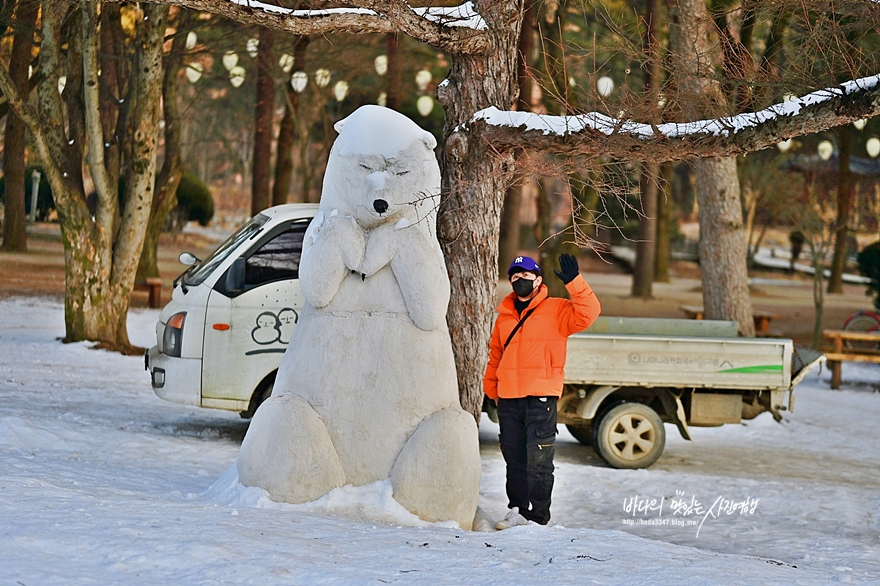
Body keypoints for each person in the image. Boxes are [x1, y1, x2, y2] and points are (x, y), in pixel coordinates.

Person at [484, 253, 601, 529]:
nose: (519, 280)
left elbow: (589, 313)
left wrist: (574, 282)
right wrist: (493, 390)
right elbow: (496, 355)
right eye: (514, 276)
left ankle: (538, 517)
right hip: (509, 398)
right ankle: (517, 510)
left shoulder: (558, 310)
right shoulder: (505, 317)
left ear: (538, 280)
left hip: (541, 396)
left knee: (538, 458)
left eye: (525, 276)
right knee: (514, 459)